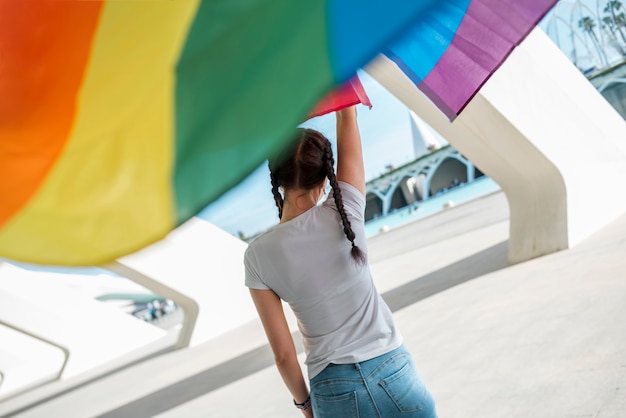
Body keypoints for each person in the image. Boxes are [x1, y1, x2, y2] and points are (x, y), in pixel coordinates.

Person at [244, 105, 437, 417]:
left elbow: (283, 355)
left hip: (333, 389)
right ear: (325, 175)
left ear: (277, 179)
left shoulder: (257, 255)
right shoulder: (345, 208)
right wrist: (341, 93)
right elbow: (348, 115)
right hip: (395, 372)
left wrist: (306, 407)